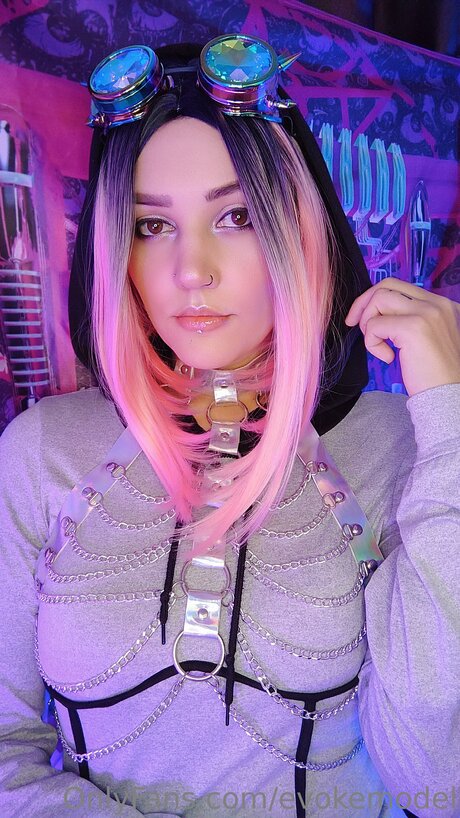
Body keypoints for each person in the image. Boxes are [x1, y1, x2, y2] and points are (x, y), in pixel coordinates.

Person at [0, 34, 459, 818]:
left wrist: (449, 415)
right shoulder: (44, 450)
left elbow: (437, 779)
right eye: (151, 226)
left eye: (237, 215)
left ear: (299, 225)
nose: (193, 271)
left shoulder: (397, 445)